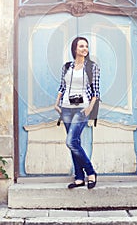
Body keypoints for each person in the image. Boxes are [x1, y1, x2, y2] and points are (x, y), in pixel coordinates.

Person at [54, 36, 100, 189]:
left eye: (86, 46)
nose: (85, 49)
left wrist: (89, 108)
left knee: (71, 142)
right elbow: (62, 87)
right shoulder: (67, 67)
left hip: (82, 108)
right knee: (75, 143)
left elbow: (96, 91)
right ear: (75, 49)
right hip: (66, 107)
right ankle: (79, 177)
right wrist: (57, 103)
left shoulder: (92, 67)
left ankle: (91, 171)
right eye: (81, 46)